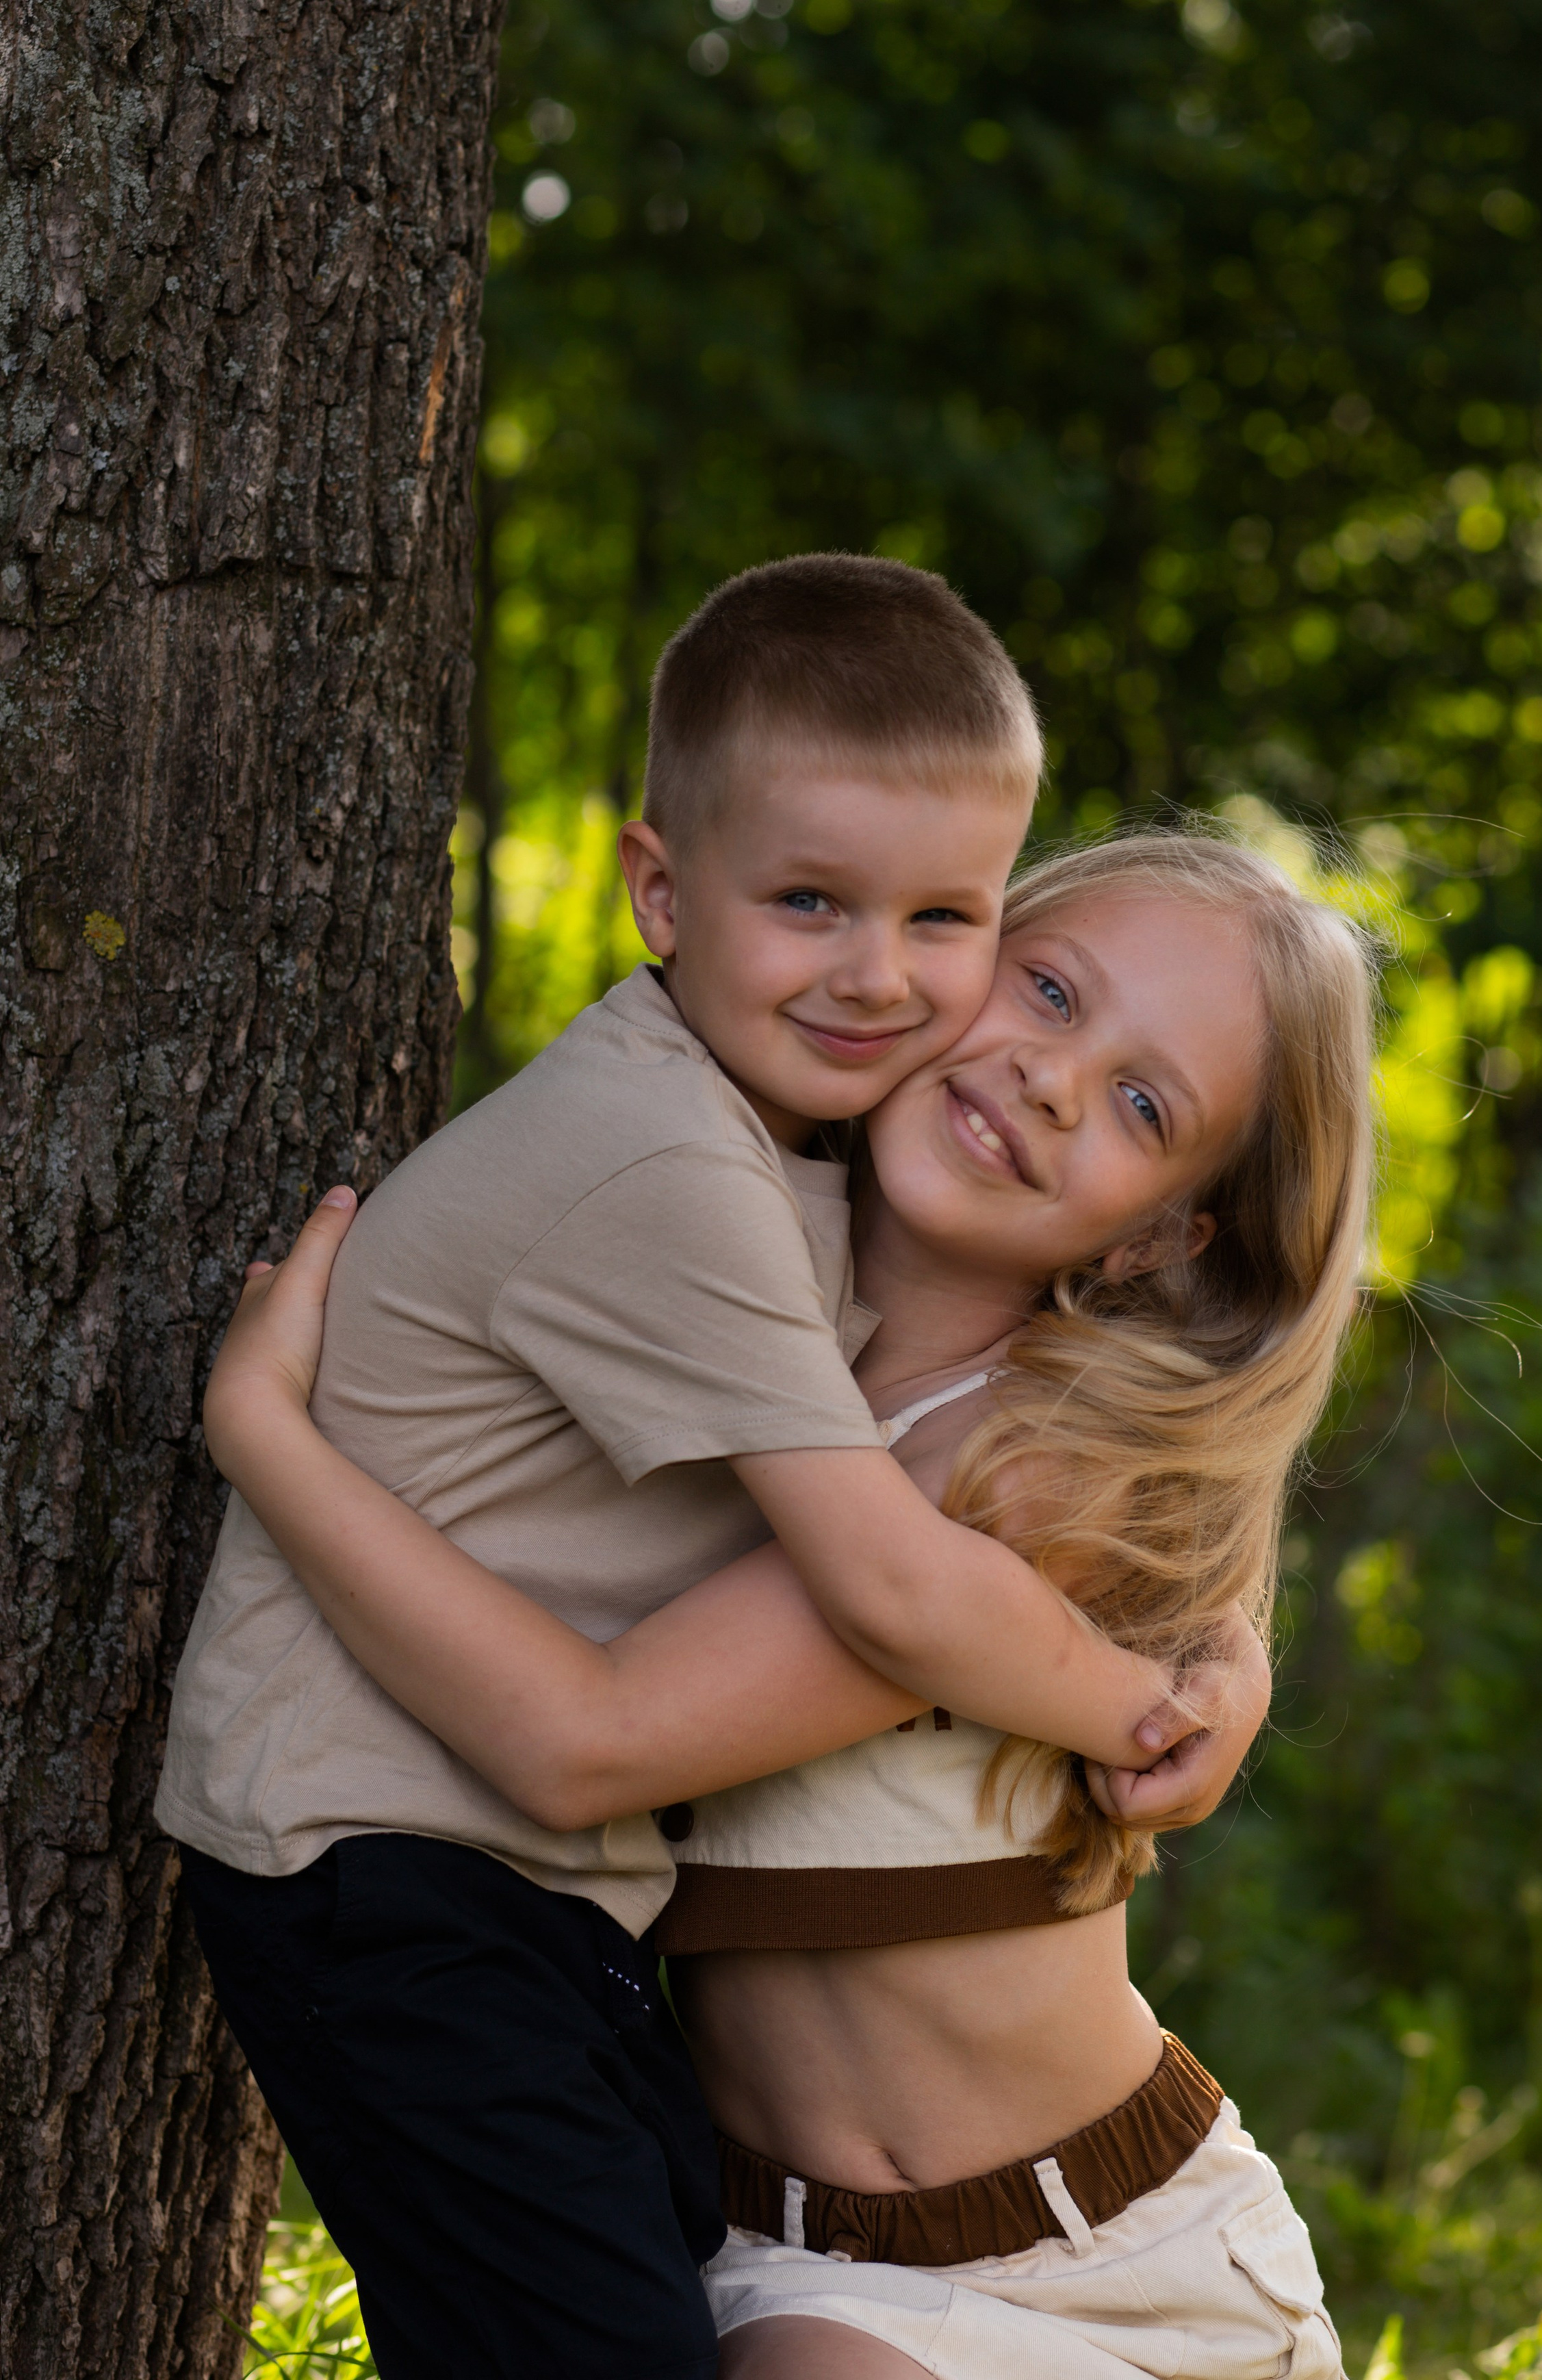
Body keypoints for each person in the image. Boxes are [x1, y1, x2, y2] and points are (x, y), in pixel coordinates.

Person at [157, 559, 1253, 2380]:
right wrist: (1143, 1710)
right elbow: (897, 1581)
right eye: (811, 902)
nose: (877, 973)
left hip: (539, 1886)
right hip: (386, 1853)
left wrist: (1233, 1644)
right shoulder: (667, 1161)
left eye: (939, 918)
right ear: (658, 889)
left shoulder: (789, 1147)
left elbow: (1074, 1450)